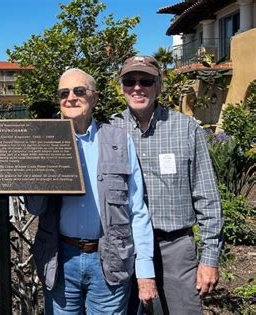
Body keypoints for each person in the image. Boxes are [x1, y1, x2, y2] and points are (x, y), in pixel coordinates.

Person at [26, 68, 158, 314]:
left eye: (79, 91)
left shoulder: (119, 140)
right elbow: (35, 207)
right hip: (60, 259)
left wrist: (145, 271)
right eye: (63, 92)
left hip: (109, 257)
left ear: (94, 98)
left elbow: (137, 210)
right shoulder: (44, 140)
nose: (70, 98)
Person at [111, 55, 223, 314]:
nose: (137, 87)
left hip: (175, 248)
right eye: (130, 81)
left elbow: (207, 196)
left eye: (146, 81)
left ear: (158, 86)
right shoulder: (111, 130)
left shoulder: (186, 129)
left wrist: (209, 259)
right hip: (127, 249)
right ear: (122, 87)